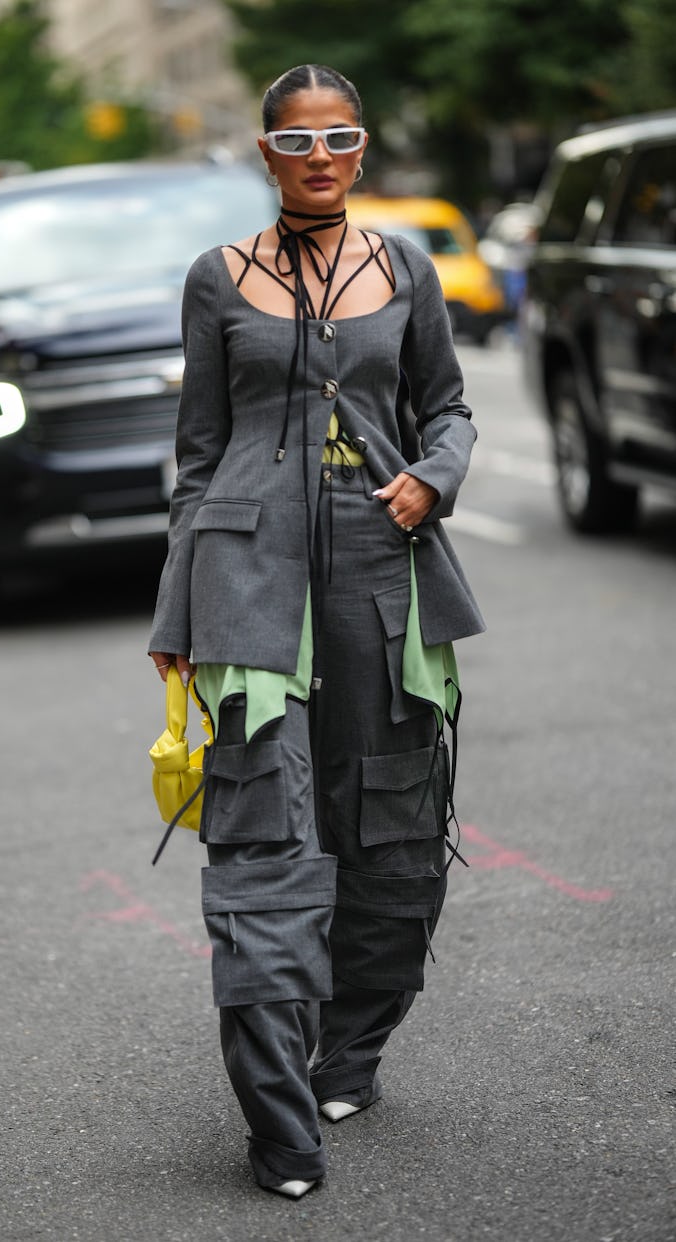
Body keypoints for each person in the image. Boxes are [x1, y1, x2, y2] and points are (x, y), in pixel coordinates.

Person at [148, 63, 484, 1199]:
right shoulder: (219, 278)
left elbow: (445, 405)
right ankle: (282, 1123)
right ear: (268, 154)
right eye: (300, 141)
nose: (323, 155)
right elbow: (200, 457)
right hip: (248, 580)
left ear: (363, 146)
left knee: (391, 825)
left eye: (341, 136)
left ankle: (349, 1052)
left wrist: (435, 478)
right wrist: (175, 608)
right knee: (266, 839)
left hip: (383, 579)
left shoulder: (405, 269)